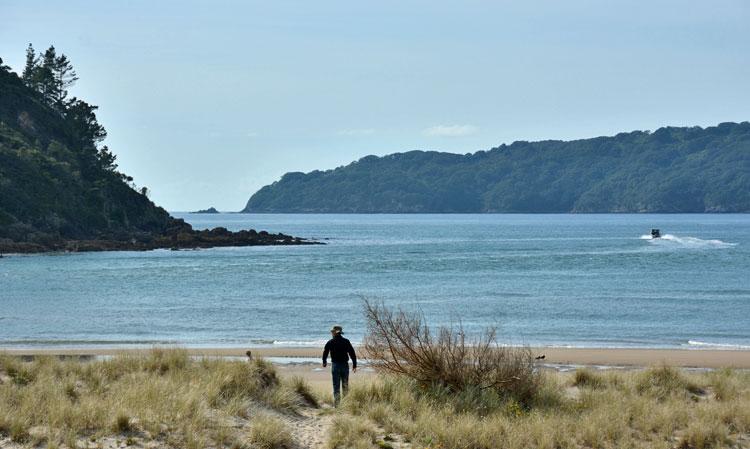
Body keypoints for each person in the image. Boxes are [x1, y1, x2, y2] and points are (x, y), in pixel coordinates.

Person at [322, 325, 357, 405]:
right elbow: (352, 353)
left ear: (335, 333)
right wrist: (354, 364)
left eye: (332, 332)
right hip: (345, 365)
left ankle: (337, 406)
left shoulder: (330, 342)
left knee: (336, 387)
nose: (331, 333)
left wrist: (324, 361)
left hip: (335, 366)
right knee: (345, 386)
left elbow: (325, 352)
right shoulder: (346, 341)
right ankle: (345, 404)